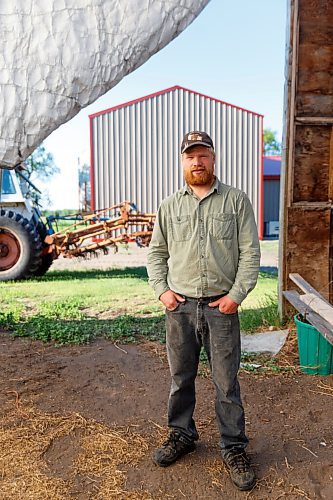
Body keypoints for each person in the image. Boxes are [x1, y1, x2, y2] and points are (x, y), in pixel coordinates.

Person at [146, 131, 261, 491]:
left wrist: (236, 295)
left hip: (221, 308)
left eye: (203, 155)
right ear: (183, 161)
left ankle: (234, 447)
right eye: (190, 156)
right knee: (181, 378)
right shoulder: (169, 206)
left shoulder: (236, 201)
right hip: (179, 308)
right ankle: (181, 435)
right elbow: (156, 254)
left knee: (227, 382)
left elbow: (251, 253)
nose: (197, 162)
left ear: (214, 158)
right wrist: (162, 291)